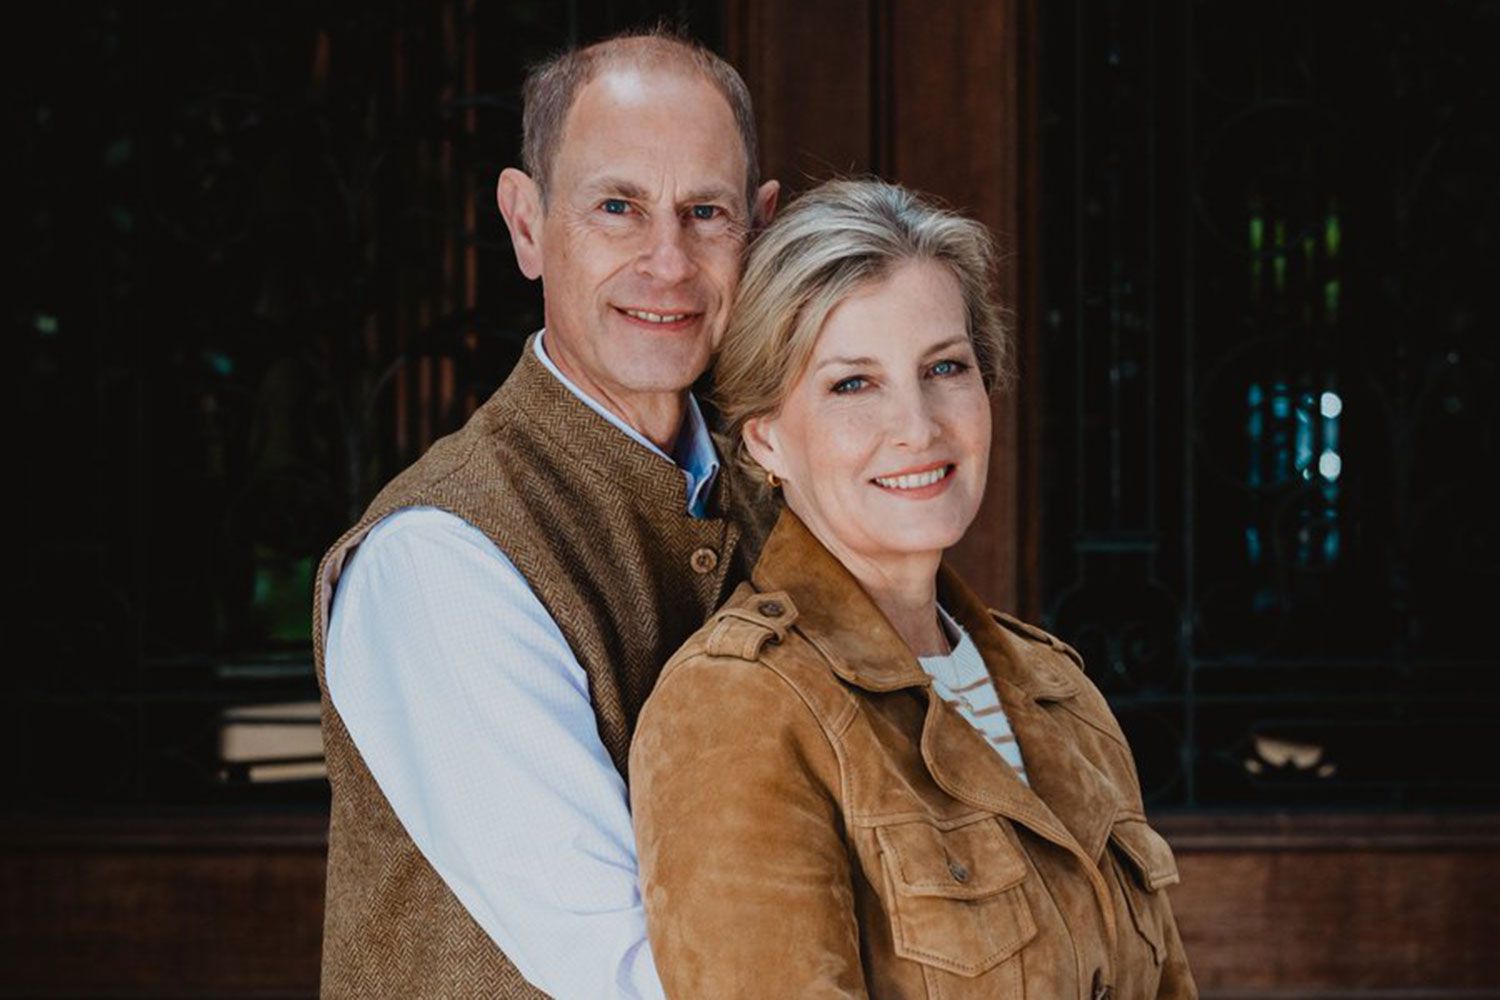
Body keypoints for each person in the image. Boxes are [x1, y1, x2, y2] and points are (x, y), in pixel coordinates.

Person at [630, 180, 1197, 999]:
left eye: (945, 367)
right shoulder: (738, 708)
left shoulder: (1060, 692)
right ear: (766, 440)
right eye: (853, 384)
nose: (920, 426)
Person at [312, 30, 779, 999]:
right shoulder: (438, 559)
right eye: (618, 207)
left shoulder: (781, 502)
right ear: (527, 225)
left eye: (706, 212)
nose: (668, 261)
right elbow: (638, 977)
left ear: (759, 231)